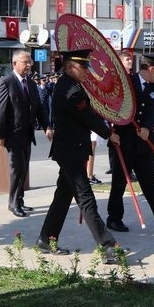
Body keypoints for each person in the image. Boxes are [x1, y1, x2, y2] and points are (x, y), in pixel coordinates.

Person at [38, 49, 123, 263]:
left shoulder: (72, 85)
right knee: (86, 199)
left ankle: (46, 239)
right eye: (82, 67)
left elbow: (89, 113)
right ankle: (107, 245)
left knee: (63, 197)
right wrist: (109, 134)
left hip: (70, 150)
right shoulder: (71, 91)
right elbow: (88, 117)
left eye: (87, 66)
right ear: (69, 67)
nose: (86, 71)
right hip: (70, 152)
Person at [106, 54, 154, 234]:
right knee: (119, 182)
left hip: (143, 142)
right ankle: (114, 219)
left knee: (150, 181)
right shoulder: (125, 83)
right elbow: (109, 106)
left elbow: (153, 110)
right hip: (122, 141)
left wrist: (147, 127)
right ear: (151, 69)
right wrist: (110, 131)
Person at [0, 50, 52, 218]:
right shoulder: (6, 82)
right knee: (16, 169)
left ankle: (20, 199)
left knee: (23, 169)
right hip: (12, 135)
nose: (29, 65)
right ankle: (13, 203)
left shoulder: (31, 84)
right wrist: (0, 134)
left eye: (30, 62)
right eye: (25, 62)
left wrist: (47, 125)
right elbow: (0, 111)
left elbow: (39, 108)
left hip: (27, 134)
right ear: (14, 64)